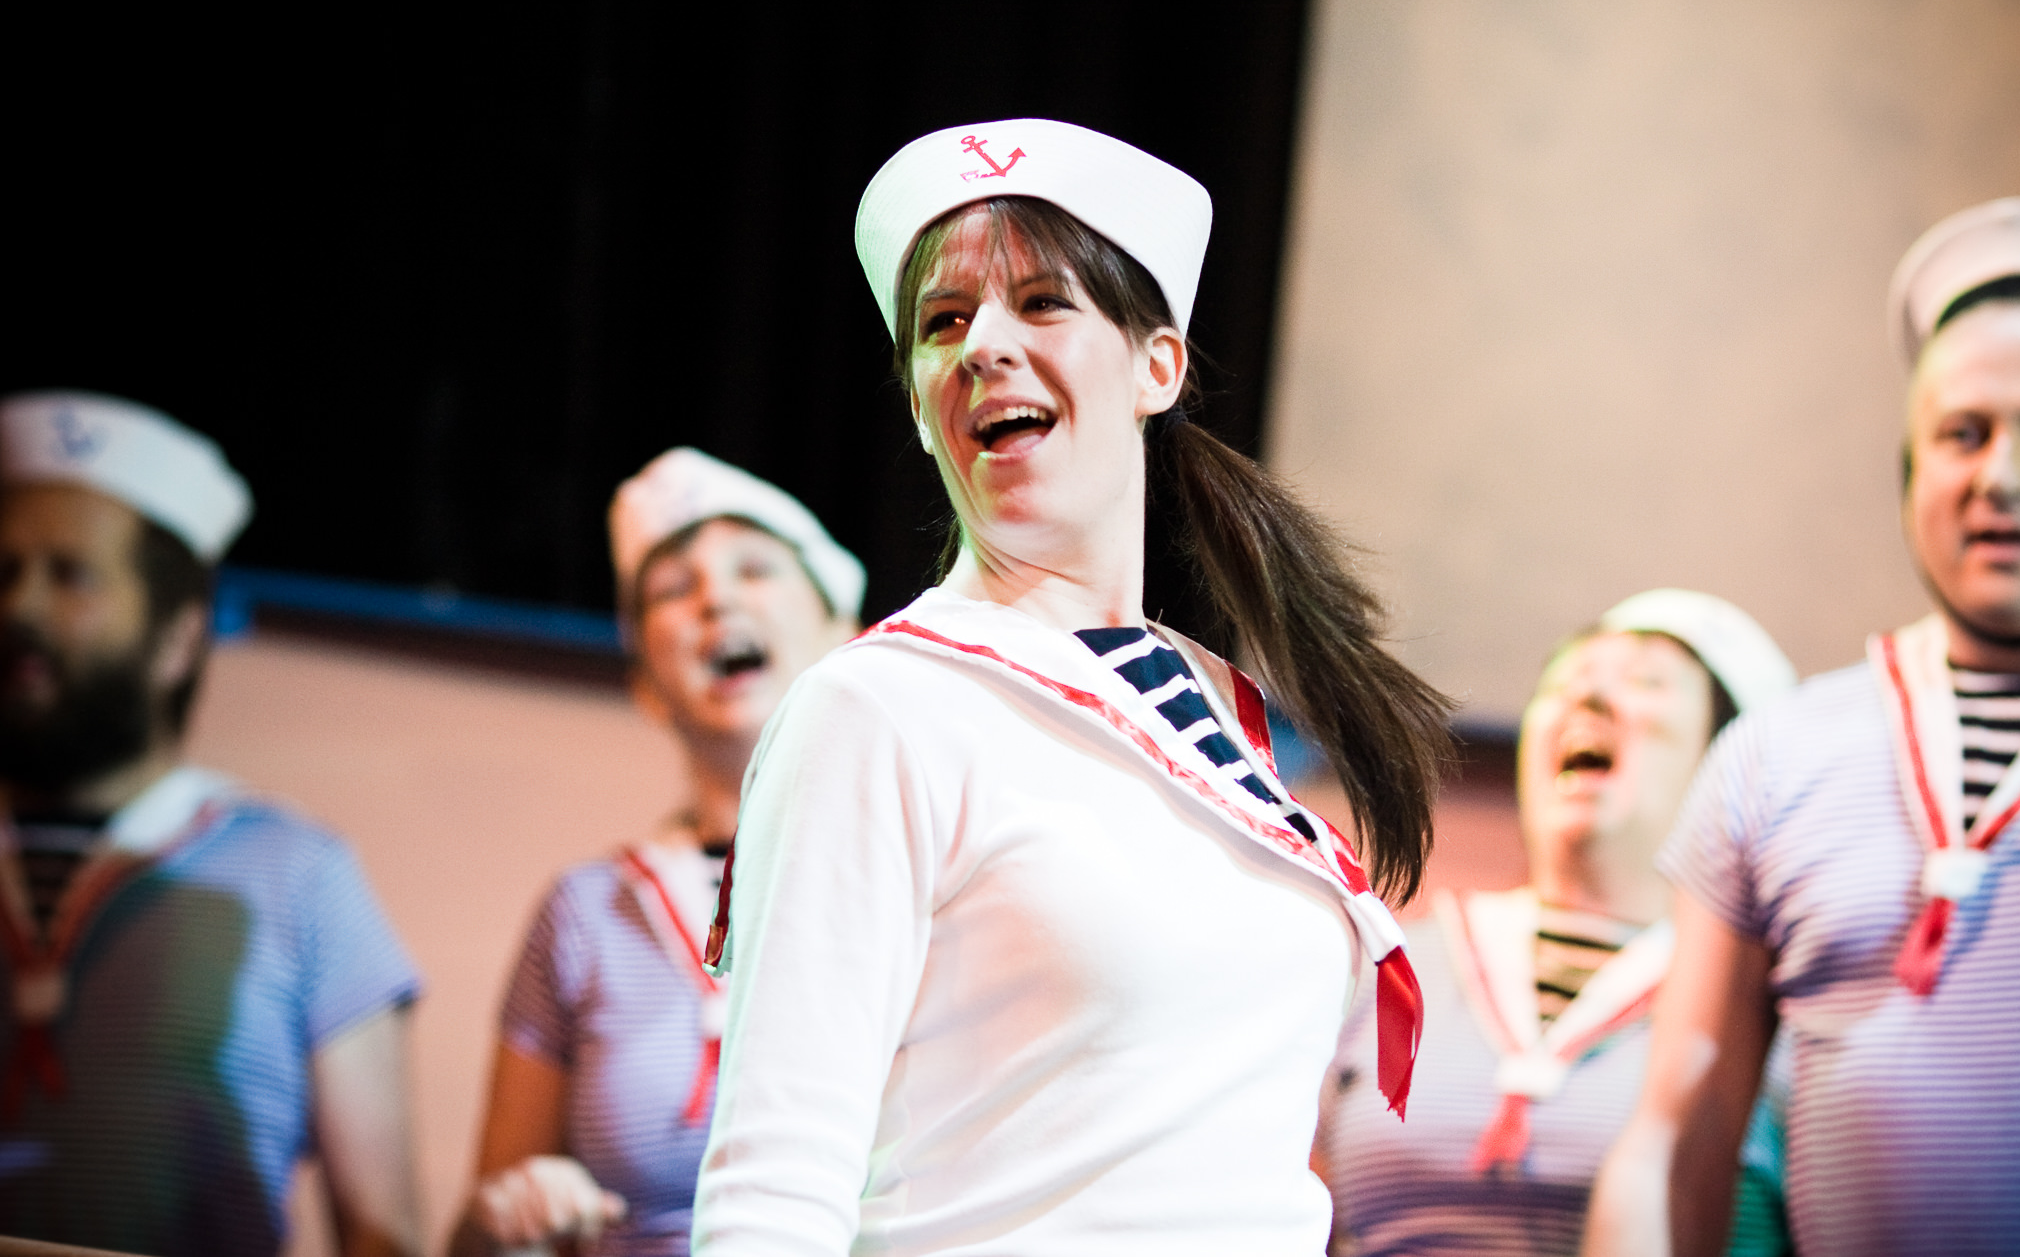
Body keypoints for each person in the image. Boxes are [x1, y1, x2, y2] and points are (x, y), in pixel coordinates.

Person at [690, 118, 1457, 1254]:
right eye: (943, 322)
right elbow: (773, 1184)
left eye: (1042, 302)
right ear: (919, 407)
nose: (983, 346)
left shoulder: (1216, 710)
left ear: (1158, 366)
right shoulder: (879, 709)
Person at [1583, 197, 2020, 1257]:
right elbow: (1673, 1138)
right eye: (1963, 434)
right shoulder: (1773, 755)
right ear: (1909, 466)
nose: (2000, 477)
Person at [0, 390, 424, 1257]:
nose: (19, 608)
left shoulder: (300, 873)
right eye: (5, 571)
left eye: (69, 574)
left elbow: (384, 1237)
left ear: (179, 639)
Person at [450, 448, 861, 1257]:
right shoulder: (586, 912)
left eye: (755, 569)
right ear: (644, 682)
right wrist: (510, 1218)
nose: (716, 598)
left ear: (845, 636)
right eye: (674, 588)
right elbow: (476, 1234)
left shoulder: (930, 882)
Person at [1317, 589, 1798, 1257]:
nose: (1588, 698)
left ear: (1732, 761)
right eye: (1564, 681)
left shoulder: (1772, 1010)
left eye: (1646, 681)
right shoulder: (1384, 965)